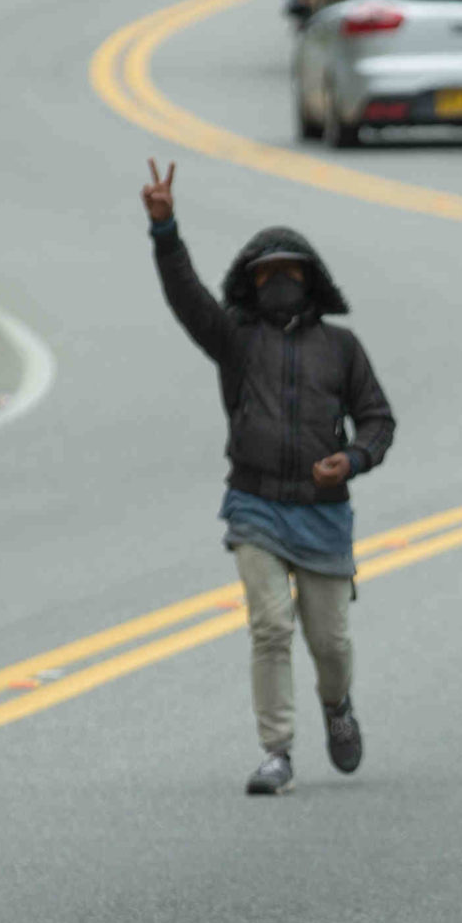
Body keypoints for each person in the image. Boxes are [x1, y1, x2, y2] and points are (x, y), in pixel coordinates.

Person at [138, 160, 397, 794]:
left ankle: (338, 708)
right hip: (254, 507)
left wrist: (354, 459)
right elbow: (187, 298)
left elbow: (378, 421)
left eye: (290, 272)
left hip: (324, 512)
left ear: (310, 282)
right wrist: (165, 229)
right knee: (270, 627)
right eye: (267, 274)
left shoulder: (342, 348)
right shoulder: (236, 340)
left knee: (329, 642)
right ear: (250, 286)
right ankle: (276, 751)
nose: (279, 281)